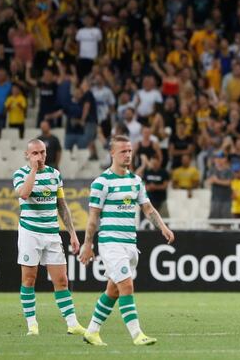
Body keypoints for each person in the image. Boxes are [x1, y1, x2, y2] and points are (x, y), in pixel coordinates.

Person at [79, 135, 175, 346]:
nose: (128, 155)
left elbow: (148, 209)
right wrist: (88, 244)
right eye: (123, 151)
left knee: (113, 290)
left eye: (130, 151)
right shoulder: (101, 182)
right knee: (126, 286)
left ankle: (92, 331)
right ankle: (137, 334)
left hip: (130, 243)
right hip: (110, 242)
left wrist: (163, 227)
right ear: (112, 153)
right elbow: (93, 217)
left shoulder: (135, 181)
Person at [13, 139, 83, 336]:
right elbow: (24, 194)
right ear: (27, 155)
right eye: (35, 153)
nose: (40, 157)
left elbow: (61, 205)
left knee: (61, 279)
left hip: (52, 233)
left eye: (42, 152)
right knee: (29, 279)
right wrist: (33, 171)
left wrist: (72, 234)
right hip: (30, 233)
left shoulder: (55, 175)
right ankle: (32, 325)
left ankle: (72, 323)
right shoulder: (20, 174)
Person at [206, 153, 233, 220]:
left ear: (225, 159)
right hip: (215, 199)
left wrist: (217, 180)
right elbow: (208, 182)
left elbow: (228, 183)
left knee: (226, 221)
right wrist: (218, 181)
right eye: (217, 158)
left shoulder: (228, 171)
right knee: (214, 221)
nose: (219, 160)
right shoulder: (212, 170)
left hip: (226, 199)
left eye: (221, 158)